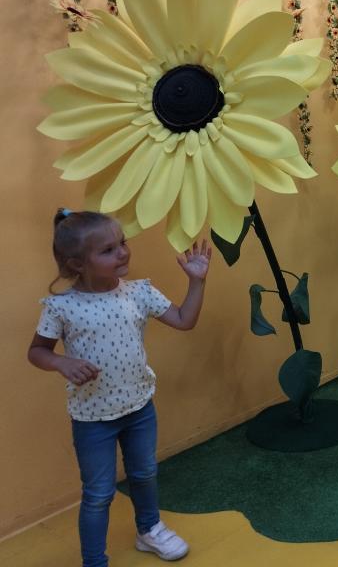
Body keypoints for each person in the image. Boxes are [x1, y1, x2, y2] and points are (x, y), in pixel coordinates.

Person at [27, 209, 212, 566]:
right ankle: (94, 561)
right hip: (93, 418)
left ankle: (149, 530)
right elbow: (37, 351)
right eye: (108, 250)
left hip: (140, 408)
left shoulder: (140, 292)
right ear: (77, 263)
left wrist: (197, 282)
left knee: (144, 474)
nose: (123, 252)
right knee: (98, 494)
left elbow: (184, 320)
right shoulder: (61, 307)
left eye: (122, 243)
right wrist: (62, 363)